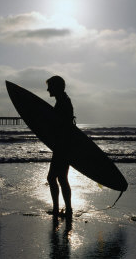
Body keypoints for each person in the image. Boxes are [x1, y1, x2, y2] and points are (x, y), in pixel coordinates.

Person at [46, 75, 75, 217]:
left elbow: (63, 126)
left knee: (53, 178)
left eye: (50, 86)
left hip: (62, 147)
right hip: (63, 146)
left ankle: (60, 209)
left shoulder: (63, 102)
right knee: (61, 178)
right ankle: (65, 209)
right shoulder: (63, 100)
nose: (47, 89)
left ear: (56, 87)